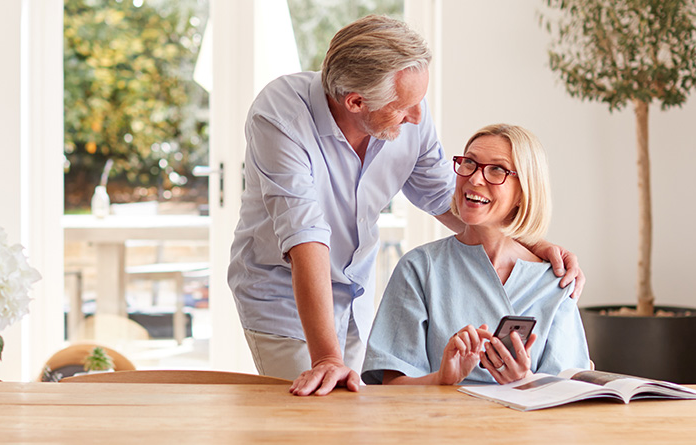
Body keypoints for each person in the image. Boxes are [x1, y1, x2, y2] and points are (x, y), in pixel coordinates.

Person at [227, 15, 585, 397]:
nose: (417, 116)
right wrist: (327, 358)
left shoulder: (407, 108)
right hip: (285, 298)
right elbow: (305, 236)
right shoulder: (281, 116)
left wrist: (528, 243)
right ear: (356, 101)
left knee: (353, 415)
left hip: (354, 292)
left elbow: (447, 197)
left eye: (419, 101)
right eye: (404, 107)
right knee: (313, 412)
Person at [361, 124, 591, 386]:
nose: (475, 178)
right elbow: (391, 386)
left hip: (527, 427)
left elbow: (572, 392)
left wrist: (526, 382)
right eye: (469, 163)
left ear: (523, 192)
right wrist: (442, 379)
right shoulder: (420, 267)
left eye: (497, 169)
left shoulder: (555, 282)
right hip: (440, 425)